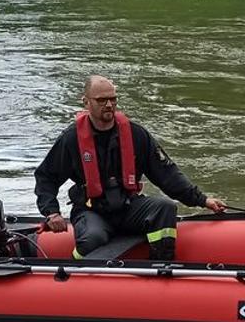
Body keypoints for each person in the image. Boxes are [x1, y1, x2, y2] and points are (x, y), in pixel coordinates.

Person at [33, 75, 225, 261]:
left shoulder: (136, 135)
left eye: (113, 99)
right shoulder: (72, 138)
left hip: (128, 208)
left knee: (164, 208)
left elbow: (167, 174)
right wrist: (52, 212)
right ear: (86, 102)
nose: (109, 105)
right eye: (102, 100)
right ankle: (76, 278)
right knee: (93, 237)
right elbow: (46, 177)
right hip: (92, 211)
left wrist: (202, 200)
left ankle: (161, 266)